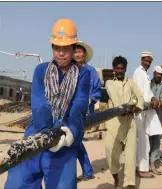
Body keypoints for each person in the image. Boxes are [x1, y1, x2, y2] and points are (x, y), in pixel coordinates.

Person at [4, 18, 90, 189]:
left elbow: (79, 105)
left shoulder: (83, 74)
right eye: (57, 48)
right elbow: (40, 105)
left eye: (66, 48)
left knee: (62, 186)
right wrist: (46, 137)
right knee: (18, 183)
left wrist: (70, 133)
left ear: (74, 49)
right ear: (52, 48)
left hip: (64, 137)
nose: (61, 53)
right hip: (36, 134)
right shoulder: (41, 71)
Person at [105, 56, 144, 189]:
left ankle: (129, 184)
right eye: (117, 68)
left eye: (122, 68)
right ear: (114, 69)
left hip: (129, 123)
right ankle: (116, 177)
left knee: (130, 156)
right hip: (114, 124)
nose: (120, 70)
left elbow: (140, 97)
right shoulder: (109, 83)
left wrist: (136, 107)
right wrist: (122, 108)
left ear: (125, 69)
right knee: (110, 153)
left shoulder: (131, 82)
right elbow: (112, 97)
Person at [73, 41, 101, 181]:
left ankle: (87, 171)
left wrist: (89, 100)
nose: (77, 54)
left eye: (80, 52)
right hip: (70, 111)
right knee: (73, 141)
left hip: (85, 111)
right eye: (75, 52)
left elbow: (96, 90)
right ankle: (83, 172)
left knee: (75, 140)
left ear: (84, 54)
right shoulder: (70, 69)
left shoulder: (91, 71)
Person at [133, 52, 162, 178]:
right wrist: (144, 102)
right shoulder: (139, 73)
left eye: (149, 61)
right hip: (140, 111)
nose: (148, 63)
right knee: (142, 141)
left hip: (146, 110)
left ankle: (141, 167)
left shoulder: (145, 74)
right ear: (141, 60)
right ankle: (142, 169)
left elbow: (148, 92)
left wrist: (153, 99)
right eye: (146, 61)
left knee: (144, 141)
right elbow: (137, 91)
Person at [149, 65, 162, 175]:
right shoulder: (148, 83)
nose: (159, 76)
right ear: (154, 73)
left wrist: (158, 103)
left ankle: (152, 165)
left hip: (158, 115)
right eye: (157, 74)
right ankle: (143, 165)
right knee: (145, 140)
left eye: (161, 75)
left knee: (156, 140)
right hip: (147, 115)